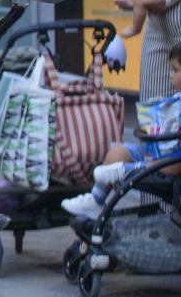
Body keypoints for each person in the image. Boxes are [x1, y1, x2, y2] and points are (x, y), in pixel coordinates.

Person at [61, 47, 181, 221]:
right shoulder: (176, 100)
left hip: (173, 163)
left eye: (176, 70)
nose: (171, 75)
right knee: (117, 152)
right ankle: (96, 200)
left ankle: (126, 170)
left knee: (170, 161)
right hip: (162, 153)